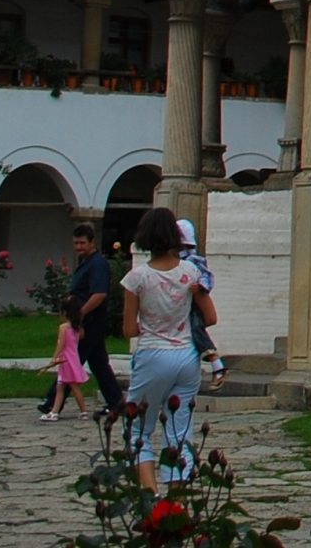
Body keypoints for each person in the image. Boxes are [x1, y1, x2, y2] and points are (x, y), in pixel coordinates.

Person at [122, 208, 216, 490]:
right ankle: (176, 503)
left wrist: (151, 326)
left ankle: (151, 499)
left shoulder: (136, 278)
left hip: (152, 354)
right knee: (179, 432)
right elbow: (210, 318)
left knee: (138, 428)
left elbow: (128, 329)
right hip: (186, 357)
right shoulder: (191, 273)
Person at [66, 220, 125, 415]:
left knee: (73, 359)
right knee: (98, 363)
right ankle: (116, 401)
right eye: (76, 243)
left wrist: (80, 313)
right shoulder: (85, 264)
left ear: (92, 243)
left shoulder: (97, 264)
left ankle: (51, 402)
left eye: (82, 243)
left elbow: (98, 294)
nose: (79, 247)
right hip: (85, 319)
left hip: (91, 320)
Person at [177, 215, 224, 385]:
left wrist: (200, 287)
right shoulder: (176, 262)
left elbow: (206, 277)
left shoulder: (192, 261)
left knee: (196, 328)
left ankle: (216, 363)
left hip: (191, 306)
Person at [40, 297, 91, 421]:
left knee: (72, 386)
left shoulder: (63, 328)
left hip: (66, 360)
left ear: (64, 312)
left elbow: (61, 344)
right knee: (61, 386)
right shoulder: (77, 328)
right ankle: (55, 411)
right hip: (73, 359)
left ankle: (84, 411)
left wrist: (54, 358)